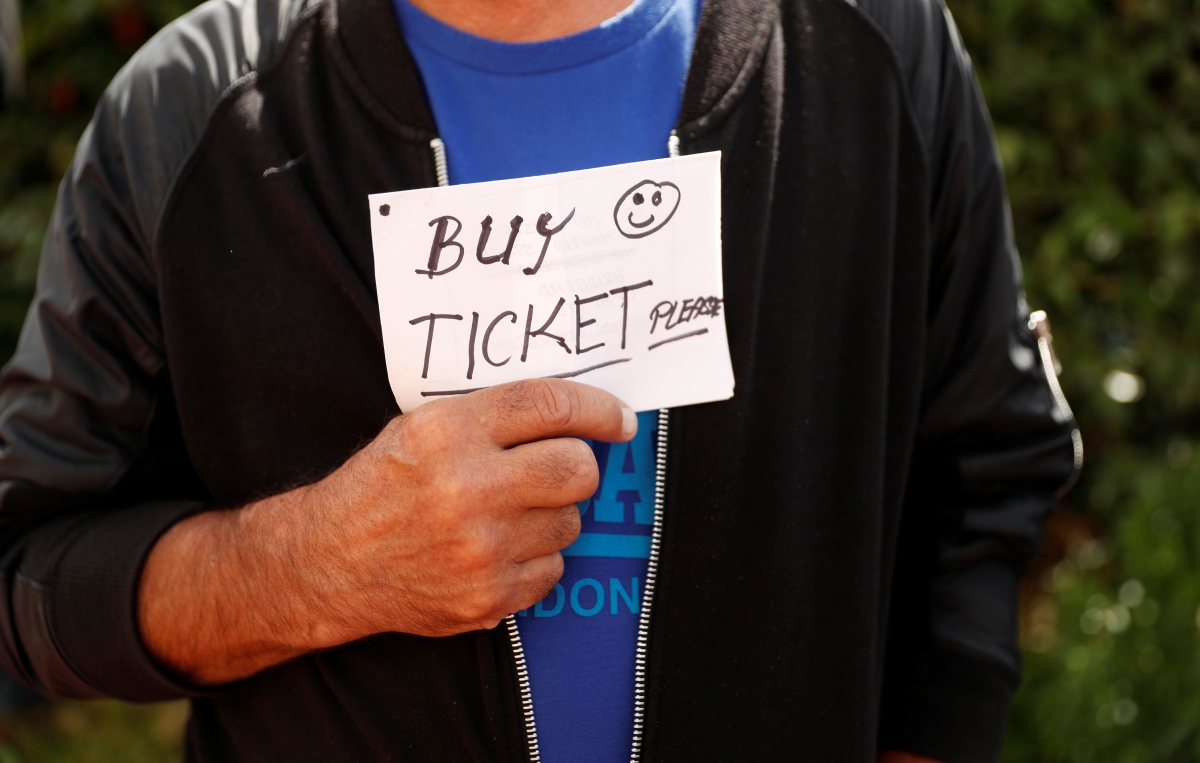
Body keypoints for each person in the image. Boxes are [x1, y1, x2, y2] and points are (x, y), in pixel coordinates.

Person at [0, 0, 1081, 759]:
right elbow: (28, 577)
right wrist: (317, 565)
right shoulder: (192, 111)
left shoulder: (876, 48)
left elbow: (987, 468)